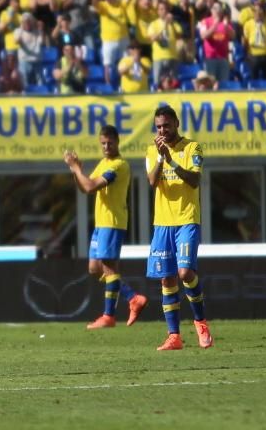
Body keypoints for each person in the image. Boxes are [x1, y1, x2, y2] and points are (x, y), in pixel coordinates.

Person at [63, 126, 148, 329]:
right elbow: (86, 187)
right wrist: (76, 170)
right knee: (94, 268)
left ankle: (109, 315)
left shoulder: (119, 165)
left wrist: (76, 169)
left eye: (110, 143)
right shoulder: (104, 163)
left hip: (112, 222)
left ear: (117, 142)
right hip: (101, 224)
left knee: (109, 268)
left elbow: (92, 186)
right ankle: (132, 297)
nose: (106, 146)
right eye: (103, 143)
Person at [145, 105, 213, 351]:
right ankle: (174, 336)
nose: (163, 130)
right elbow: (152, 182)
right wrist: (162, 158)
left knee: (185, 273)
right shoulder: (152, 150)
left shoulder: (192, 147)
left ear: (176, 124)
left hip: (186, 219)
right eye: (159, 126)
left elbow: (194, 181)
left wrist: (171, 159)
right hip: (162, 222)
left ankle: (201, 323)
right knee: (167, 278)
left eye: (167, 125)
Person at [243, 1, 266, 80]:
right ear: (254, 13)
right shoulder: (248, 24)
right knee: (254, 77)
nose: (259, 14)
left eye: (261, 12)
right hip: (254, 55)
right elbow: (245, 41)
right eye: (257, 12)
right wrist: (246, 54)